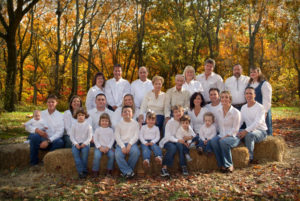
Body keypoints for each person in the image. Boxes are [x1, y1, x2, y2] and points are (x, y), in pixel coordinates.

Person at [210, 91, 241, 173]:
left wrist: (227, 136)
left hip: (233, 137)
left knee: (223, 142)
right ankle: (221, 165)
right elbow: (216, 126)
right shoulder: (218, 111)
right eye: (222, 97)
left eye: (226, 97)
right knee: (213, 141)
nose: (224, 99)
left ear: (230, 100)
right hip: (221, 135)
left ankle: (229, 165)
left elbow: (236, 129)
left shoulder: (236, 112)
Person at [30, 95, 64, 166]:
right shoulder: (41, 114)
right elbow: (30, 125)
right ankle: (33, 163)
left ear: (56, 103)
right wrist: (37, 130)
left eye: (53, 102)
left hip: (53, 140)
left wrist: (48, 141)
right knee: (34, 137)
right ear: (46, 103)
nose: (50, 104)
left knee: (60, 142)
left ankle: (45, 159)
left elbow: (60, 132)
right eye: (49, 102)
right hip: (42, 138)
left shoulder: (60, 115)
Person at [237, 87, 267, 164]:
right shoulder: (243, 107)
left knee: (249, 135)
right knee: (236, 133)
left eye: (250, 93)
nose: (248, 95)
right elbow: (241, 121)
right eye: (247, 93)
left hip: (260, 131)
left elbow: (258, 122)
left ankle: (250, 157)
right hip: (249, 130)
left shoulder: (260, 107)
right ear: (244, 95)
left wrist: (246, 131)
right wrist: (235, 130)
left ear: (254, 95)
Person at [159, 105, 188, 177]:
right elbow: (167, 136)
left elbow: (188, 132)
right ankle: (164, 168)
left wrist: (185, 140)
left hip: (179, 141)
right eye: (175, 112)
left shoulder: (184, 122)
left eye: (179, 111)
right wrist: (178, 140)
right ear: (173, 113)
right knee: (173, 148)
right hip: (168, 141)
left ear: (183, 112)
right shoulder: (170, 122)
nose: (178, 113)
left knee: (181, 146)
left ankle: (183, 166)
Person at [115, 106, 140, 179]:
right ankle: (129, 171)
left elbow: (136, 136)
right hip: (121, 143)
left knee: (136, 152)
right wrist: (122, 146)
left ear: (132, 114)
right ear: (122, 114)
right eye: (125, 111)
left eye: (129, 111)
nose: (127, 113)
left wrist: (130, 144)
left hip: (131, 143)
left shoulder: (135, 123)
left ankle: (127, 172)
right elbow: (117, 136)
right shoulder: (119, 124)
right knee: (118, 155)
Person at [248, 67, 272, 135]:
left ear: (259, 73)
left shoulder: (264, 84)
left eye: (254, 72)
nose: (252, 74)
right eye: (251, 72)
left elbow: (267, 100)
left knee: (264, 128)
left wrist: (265, 112)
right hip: (252, 110)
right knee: (254, 129)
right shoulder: (250, 84)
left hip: (262, 111)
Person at [70, 108, 93, 179]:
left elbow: (89, 137)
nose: (80, 116)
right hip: (75, 144)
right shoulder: (74, 125)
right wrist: (76, 144)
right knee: (76, 155)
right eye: (79, 115)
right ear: (76, 116)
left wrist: (85, 143)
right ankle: (81, 172)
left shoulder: (88, 126)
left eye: (82, 115)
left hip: (85, 144)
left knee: (84, 156)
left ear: (85, 116)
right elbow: (71, 137)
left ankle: (84, 171)